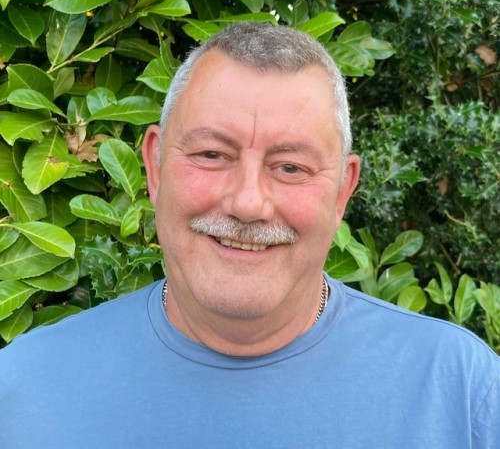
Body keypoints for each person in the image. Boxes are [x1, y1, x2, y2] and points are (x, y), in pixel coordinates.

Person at [0, 23, 497, 448]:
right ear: (155, 167)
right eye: (212, 155)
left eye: (290, 166)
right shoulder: (23, 389)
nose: (247, 202)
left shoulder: (460, 391)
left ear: (342, 192)